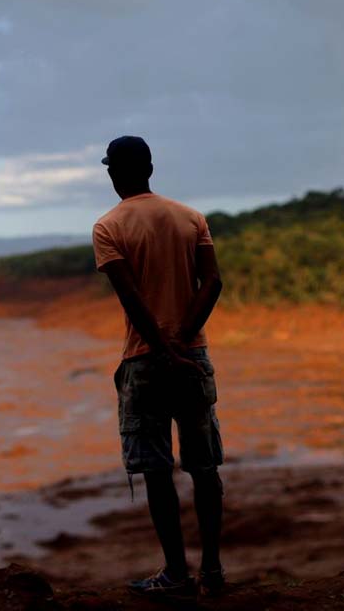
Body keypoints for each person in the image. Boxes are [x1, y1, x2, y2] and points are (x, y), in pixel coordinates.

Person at [91, 135, 226, 598]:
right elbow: (213, 281)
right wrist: (184, 339)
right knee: (204, 468)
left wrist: (163, 349)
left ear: (113, 173)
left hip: (145, 361)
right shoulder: (191, 218)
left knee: (155, 470)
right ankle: (212, 571)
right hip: (193, 356)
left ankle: (176, 575)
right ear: (150, 167)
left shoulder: (108, 227)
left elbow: (130, 297)